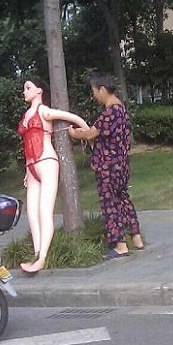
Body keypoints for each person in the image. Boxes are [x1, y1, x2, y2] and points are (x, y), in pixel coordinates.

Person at [18, 76, 90, 274]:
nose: (25, 91)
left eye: (28, 87)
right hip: (32, 166)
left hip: (47, 161)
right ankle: (37, 253)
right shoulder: (26, 114)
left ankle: (42, 257)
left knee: (44, 211)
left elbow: (71, 117)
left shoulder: (43, 111)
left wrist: (86, 131)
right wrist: (27, 170)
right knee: (32, 213)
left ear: (39, 90)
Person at [69, 71, 144, 258]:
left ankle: (120, 244)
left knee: (109, 203)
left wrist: (74, 134)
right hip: (122, 165)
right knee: (123, 199)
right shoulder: (122, 110)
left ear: (102, 90)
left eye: (94, 91)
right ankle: (136, 237)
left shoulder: (110, 113)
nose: (94, 95)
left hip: (108, 167)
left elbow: (90, 134)